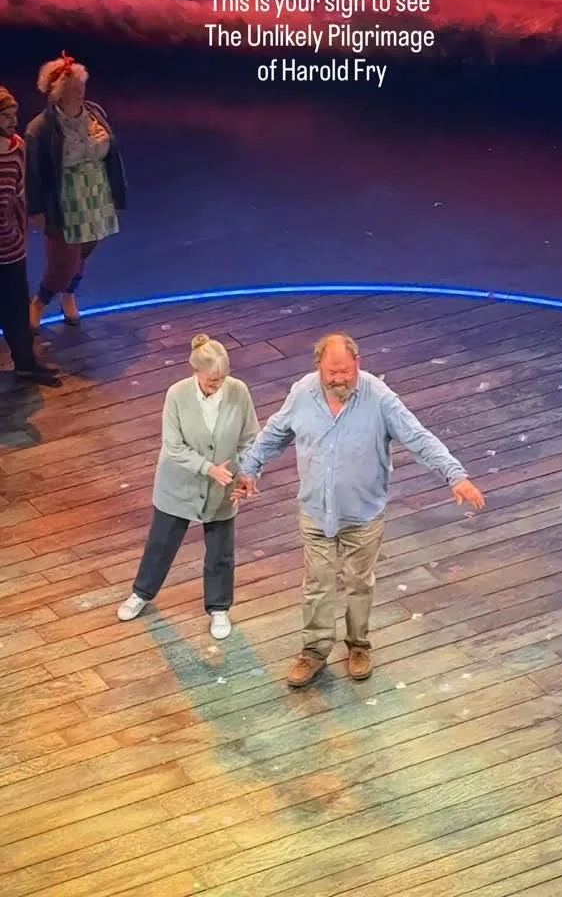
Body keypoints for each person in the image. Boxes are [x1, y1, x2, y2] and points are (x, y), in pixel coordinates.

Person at [237, 332, 485, 688]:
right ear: (318, 367)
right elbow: (274, 433)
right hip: (316, 512)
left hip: (363, 515)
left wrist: (455, 475)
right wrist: (249, 468)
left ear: (358, 363)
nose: (339, 379)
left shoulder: (379, 398)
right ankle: (314, 651)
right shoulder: (302, 393)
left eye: (345, 372)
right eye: (331, 373)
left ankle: (358, 646)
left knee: (358, 584)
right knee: (317, 585)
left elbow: (418, 437)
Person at [117, 334, 260, 639]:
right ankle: (142, 593)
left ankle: (219, 608)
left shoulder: (238, 391)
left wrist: (248, 471)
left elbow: (250, 437)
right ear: (195, 371)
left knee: (221, 551)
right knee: (161, 544)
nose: (217, 385)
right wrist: (208, 468)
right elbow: (173, 446)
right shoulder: (177, 395)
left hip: (223, 487)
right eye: (211, 380)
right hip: (178, 484)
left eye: (222, 379)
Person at [25, 52, 126, 332]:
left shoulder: (95, 113)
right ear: (58, 93)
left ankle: (69, 294)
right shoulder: (41, 129)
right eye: (73, 88)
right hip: (65, 202)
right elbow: (34, 173)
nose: (81, 91)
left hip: (95, 195)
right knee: (63, 263)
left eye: (82, 85)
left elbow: (110, 152)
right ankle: (39, 302)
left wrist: (115, 190)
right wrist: (36, 210)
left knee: (83, 252)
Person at [0, 85, 61, 386]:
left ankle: (26, 363)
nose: (13, 120)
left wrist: (21, 233)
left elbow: (19, 194)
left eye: (14, 114)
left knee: (16, 308)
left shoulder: (17, 147)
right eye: (6, 115)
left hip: (10, 246)